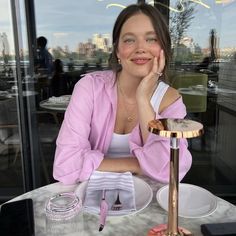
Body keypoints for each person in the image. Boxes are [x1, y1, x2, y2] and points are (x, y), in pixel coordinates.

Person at [53, 3, 192, 184]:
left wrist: (143, 99)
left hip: (149, 205)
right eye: (129, 40)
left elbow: (172, 170)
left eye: (151, 39)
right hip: (92, 199)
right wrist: (139, 165)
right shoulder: (89, 88)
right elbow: (65, 166)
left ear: (163, 48)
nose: (140, 48)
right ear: (117, 50)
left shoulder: (171, 101)